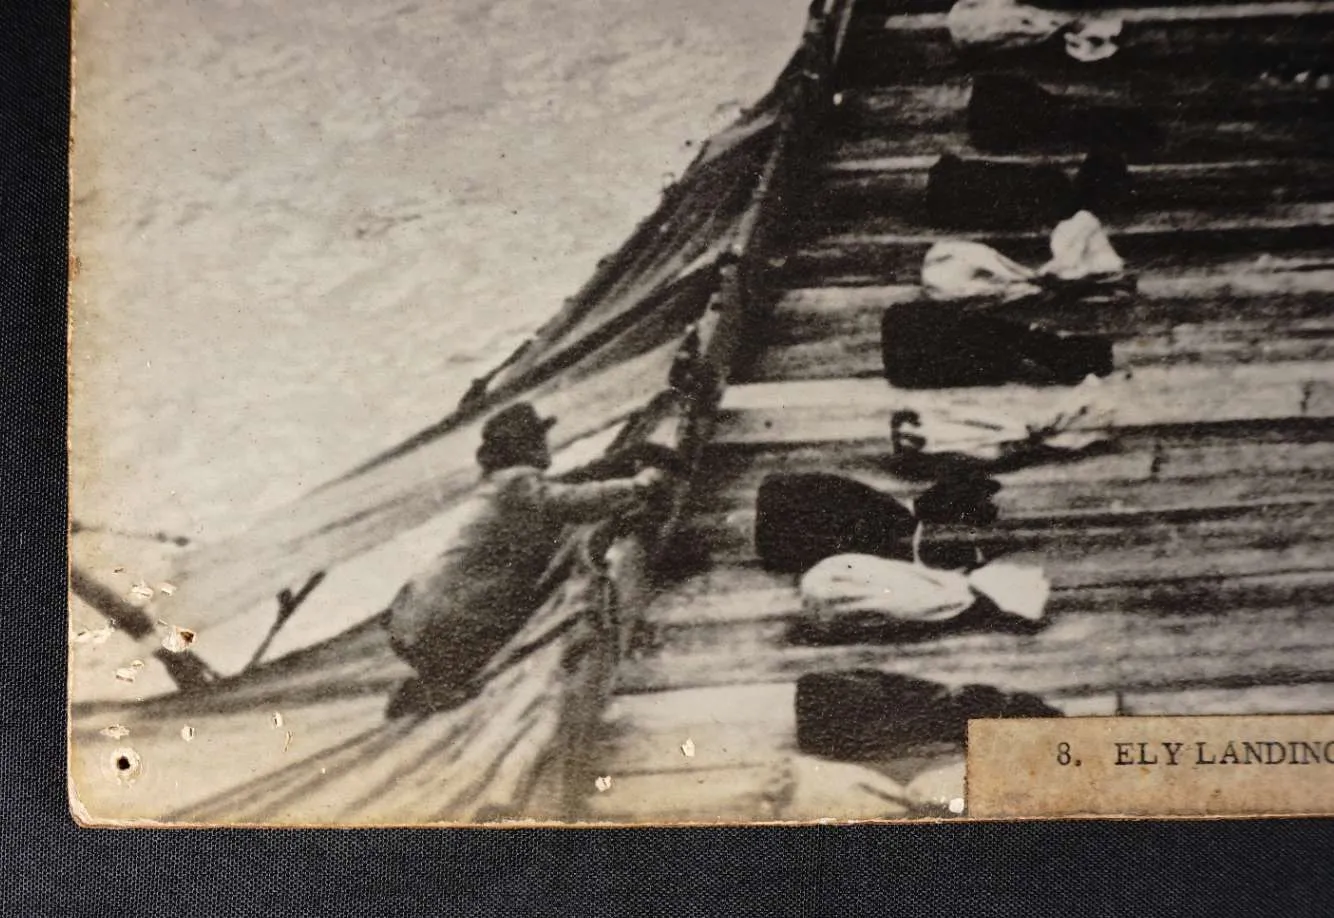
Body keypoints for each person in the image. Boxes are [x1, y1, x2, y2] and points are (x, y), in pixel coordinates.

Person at [384, 401, 669, 718]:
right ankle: (434, 685)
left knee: (479, 638)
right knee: (504, 638)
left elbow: (566, 484)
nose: (545, 444)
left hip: (414, 615)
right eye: (538, 439)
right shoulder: (518, 484)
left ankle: (428, 682)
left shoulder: (502, 485)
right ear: (524, 447)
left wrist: (614, 463)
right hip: (445, 622)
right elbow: (572, 501)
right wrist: (638, 486)